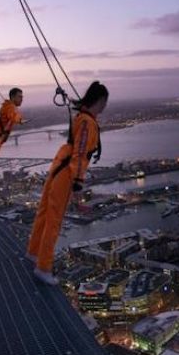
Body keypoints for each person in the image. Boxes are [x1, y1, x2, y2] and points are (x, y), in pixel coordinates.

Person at [28, 81, 107, 285]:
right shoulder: (87, 122)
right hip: (66, 174)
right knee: (54, 220)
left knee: (44, 213)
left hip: (58, 167)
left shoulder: (81, 115)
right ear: (99, 101)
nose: (104, 108)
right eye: (103, 103)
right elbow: (81, 152)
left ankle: (34, 253)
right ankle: (43, 267)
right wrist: (78, 181)